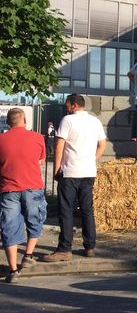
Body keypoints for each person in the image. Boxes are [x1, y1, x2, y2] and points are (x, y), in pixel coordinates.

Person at [43, 94, 107, 262]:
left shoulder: (67, 120)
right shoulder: (95, 121)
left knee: (66, 210)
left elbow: (59, 145)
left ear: (73, 105)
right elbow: (102, 145)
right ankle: (90, 246)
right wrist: (92, 159)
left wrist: (57, 168)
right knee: (87, 209)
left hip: (70, 172)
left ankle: (65, 248)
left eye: (67, 104)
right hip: (88, 171)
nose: (66, 107)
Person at [0, 108, 47, 283]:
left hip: (8, 189)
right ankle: (28, 254)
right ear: (24, 119)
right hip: (32, 186)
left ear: (8, 122)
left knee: (9, 227)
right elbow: (41, 159)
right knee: (35, 220)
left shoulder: (1, 140)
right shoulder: (37, 137)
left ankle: (13, 271)